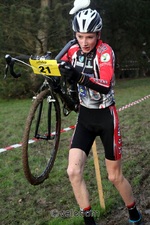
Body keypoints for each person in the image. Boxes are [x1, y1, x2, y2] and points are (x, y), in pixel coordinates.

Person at [59, 8, 144, 225]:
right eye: (80, 36)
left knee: (114, 177)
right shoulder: (73, 50)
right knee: (73, 171)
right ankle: (89, 221)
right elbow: (56, 65)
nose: (84, 41)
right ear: (75, 35)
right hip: (85, 119)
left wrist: (77, 77)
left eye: (89, 36)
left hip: (106, 118)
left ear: (98, 34)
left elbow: (105, 85)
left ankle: (134, 213)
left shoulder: (105, 52)